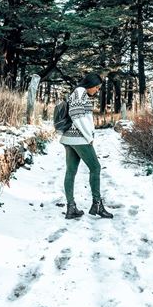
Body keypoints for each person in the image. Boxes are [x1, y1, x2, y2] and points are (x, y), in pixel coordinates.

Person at [59, 72, 113, 219]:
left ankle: (71, 208)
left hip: (69, 138)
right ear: (89, 85)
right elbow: (77, 116)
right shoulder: (80, 92)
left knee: (71, 171)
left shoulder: (78, 93)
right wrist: (89, 136)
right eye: (96, 87)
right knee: (95, 167)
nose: (97, 90)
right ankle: (97, 205)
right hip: (79, 138)